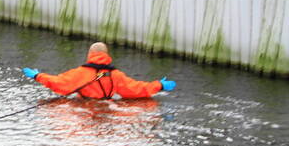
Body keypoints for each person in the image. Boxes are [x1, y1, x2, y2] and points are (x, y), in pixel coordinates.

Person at [22, 42, 176, 99]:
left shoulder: (81, 73)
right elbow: (137, 89)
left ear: (90, 55)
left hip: (86, 107)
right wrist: (159, 85)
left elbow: (59, 83)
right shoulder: (115, 75)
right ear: (107, 55)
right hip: (107, 108)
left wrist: (37, 75)